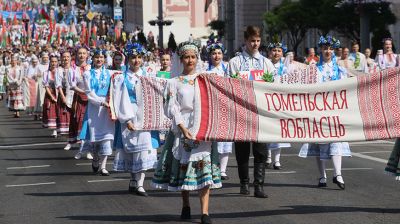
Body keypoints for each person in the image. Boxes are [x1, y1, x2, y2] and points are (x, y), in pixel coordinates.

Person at [152, 41, 221, 224]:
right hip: (182, 128)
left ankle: (205, 212)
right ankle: (185, 204)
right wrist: (182, 128)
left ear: (197, 58)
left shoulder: (204, 80)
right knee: (184, 167)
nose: (190, 60)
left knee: (203, 168)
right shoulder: (173, 83)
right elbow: (171, 107)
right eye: (186, 57)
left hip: (202, 128)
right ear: (181, 60)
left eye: (193, 57)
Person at [299, 35, 351, 190]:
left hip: (335, 110)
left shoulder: (340, 70)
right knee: (320, 142)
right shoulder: (313, 70)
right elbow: (308, 90)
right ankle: (322, 175)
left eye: (330, 48)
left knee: (337, 140)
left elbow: (346, 90)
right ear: (320, 50)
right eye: (325, 48)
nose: (328, 51)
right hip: (318, 110)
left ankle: (338, 174)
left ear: (334, 50)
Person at [228, 26, 275, 198]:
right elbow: (229, 87)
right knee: (242, 149)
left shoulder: (266, 63)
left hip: (260, 113)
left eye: (257, 41)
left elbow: (273, 88)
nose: (255, 44)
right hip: (241, 112)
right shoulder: (235, 62)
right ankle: (244, 183)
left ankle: (259, 185)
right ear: (245, 41)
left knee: (260, 150)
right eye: (252, 41)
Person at [112, 43, 159, 197]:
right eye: (133, 57)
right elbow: (119, 100)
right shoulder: (121, 78)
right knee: (131, 151)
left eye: (139, 57)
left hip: (145, 116)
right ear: (128, 59)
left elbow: (156, 97)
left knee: (144, 149)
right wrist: (126, 120)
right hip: (129, 114)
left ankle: (140, 184)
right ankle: (133, 180)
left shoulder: (148, 76)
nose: (136, 61)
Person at [83, 48, 115, 176]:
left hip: (107, 108)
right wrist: (101, 102)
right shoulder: (87, 74)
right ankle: (95, 157)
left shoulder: (110, 73)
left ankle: (103, 166)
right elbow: (89, 93)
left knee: (107, 137)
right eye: (97, 57)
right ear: (93, 59)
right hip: (94, 108)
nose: (99, 60)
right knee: (95, 137)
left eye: (102, 57)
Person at [206, 41, 232, 180]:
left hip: (225, 107)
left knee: (225, 139)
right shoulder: (205, 70)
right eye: (214, 53)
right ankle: (210, 167)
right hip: (211, 107)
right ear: (210, 55)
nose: (216, 56)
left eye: (219, 53)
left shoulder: (227, 69)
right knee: (212, 139)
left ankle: (222, 170)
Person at [266, 40, 291, 170]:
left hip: (281, 101)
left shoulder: (286, 68)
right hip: (267, 100)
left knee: (279, 131)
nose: (276, 53)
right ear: (269, 52)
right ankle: (268, 156)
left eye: (279, 51)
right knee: (267, 129)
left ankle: (277, 160)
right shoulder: (265, 65)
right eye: (274, 50)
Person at [68, 46, 93, 159]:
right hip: (79, 97)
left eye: (84, 53)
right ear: (77, 55)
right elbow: (72, 85)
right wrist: (84, 91)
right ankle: (81, 149)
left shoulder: (91, 67)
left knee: (90, 123)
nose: (82, 55)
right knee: (79, 121)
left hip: (91, 98)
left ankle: (89, 150)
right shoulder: (73, 69)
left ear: (87, 55)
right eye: (80, 53)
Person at [56, 50, 74, 138]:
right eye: (64, 57)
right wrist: (63, 97)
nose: (66, 58)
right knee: (65, 116)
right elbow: (58, 85)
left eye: (67, 57)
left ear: (70, 58)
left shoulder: (74, 68)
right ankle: (68, 139)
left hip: (73, 94)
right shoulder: (59, 70)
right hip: (64, 94)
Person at [42, 54, 60, 137]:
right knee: (52, 111)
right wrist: (52, 96)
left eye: (55, 62)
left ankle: (59, 128)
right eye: (52, 61)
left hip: (59, 93)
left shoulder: (60, 71)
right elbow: (46, 86)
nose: (54, 63)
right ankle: (54, 130)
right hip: (50, 93)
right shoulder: (46, 73)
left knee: (59, 111)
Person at [34, 52, 50, 120]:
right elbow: (35, 75)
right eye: (44, 58)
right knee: (40, 98)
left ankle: (47, 113)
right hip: (41, 84)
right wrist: (38, 75)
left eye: (46, 58)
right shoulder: (38, 66)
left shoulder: (50, 65)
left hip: (49, 84)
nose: (45, 59)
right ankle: (39, 112)